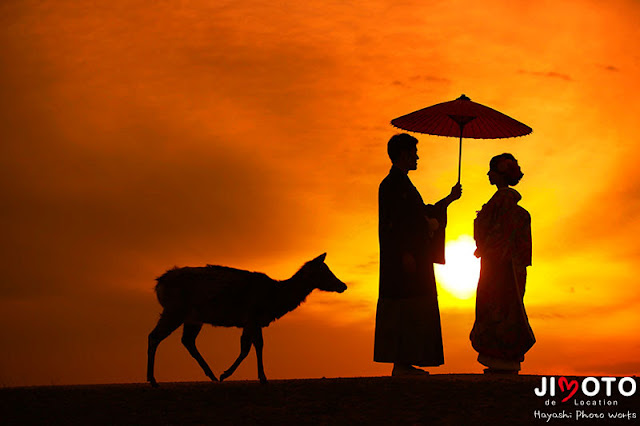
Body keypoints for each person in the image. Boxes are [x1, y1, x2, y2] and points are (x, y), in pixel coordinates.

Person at [374, 133, 462, 376]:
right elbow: (396, 224)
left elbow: (420, 215)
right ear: (403, 154)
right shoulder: (392, 185)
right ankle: (402, 364)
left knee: (414, 305)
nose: (417, 157)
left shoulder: (401, 184)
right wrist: (405, 253)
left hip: (412, 256)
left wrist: (449, 199)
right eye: (414, 152)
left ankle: (405, 363)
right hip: (404, 259)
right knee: (405, 307)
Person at [470, 153, 535, 374]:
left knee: (498, 306)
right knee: (509, 307)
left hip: (499, 265)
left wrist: (484, 242)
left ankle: (501, 356)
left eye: (491, 170)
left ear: (498, 174)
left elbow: (494, 233)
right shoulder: (511, 206)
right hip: (507, 263)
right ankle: (505, 356)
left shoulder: (502, 203)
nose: (488, 174)